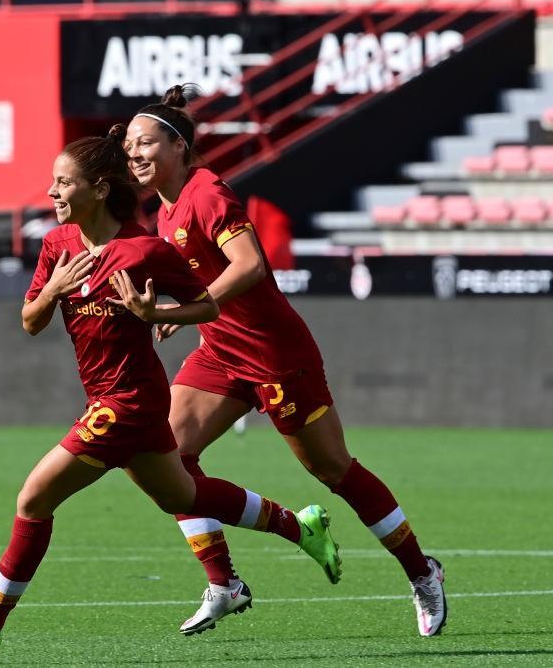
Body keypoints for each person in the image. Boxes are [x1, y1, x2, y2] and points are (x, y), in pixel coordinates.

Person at [0, 131, 341, 656]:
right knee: (183, 496)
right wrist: (52, 290)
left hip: (128, 404)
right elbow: (30, 322)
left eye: (62, 182)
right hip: (107, 397)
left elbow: (207, 307)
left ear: (98, 189)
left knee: (33, 498)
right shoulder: (59, 245)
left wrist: (154, 314)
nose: (51, 193)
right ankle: (298, 527)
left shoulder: (146, 250)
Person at [122, 85, 447, 638]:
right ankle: (224, 583)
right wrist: (183, 309)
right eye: (128, 146)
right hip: (222, 353)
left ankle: (422, 571)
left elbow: (249, 264)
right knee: (164, 457)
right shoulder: (166, 208)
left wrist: (197, 305)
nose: (134, 154)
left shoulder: (207, 193)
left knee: (333, 470)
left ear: (178, 146)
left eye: (144, 143)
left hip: (276, 358)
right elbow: (210, 276)